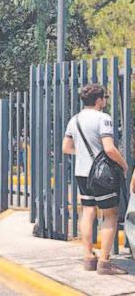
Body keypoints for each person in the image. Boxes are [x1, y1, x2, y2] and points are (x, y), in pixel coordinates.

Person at [62, 84, 129, 275]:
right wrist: (124, 165)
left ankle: (88, 258)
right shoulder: (103, 118)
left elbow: (66, 148)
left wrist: (84, 153)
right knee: (110, 214)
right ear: (99, 100)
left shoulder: (74, 120)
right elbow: (109, 148)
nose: (105, 101)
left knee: (88, 211)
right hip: (101, 175)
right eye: (104, 98)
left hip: (82, 173)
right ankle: (105, 263)